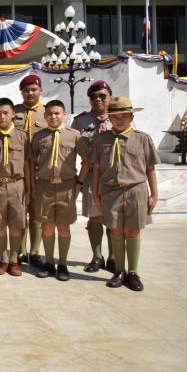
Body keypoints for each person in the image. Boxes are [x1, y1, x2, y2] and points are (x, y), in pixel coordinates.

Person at [92, 97, 159, 292]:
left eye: (123, 116)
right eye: (114, 117)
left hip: (135, 190)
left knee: (133, 230)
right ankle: (119, 271)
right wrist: (95, 193)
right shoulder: (101, 139)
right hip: (110, 191)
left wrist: (154, 194)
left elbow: (150, 168)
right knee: (115, 230)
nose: (119, 120)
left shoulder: (142, 138)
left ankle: (133, 272)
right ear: (109, 119)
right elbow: (96, 168)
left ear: (131, 117)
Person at [28, 100, 90, 281]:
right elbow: (31, 162)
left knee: (63, 226)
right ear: (44, 115)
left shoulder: (74, 135)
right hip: (45, 186)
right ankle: (49, 263)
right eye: (49, 113)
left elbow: (87, 161)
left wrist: (79, 182)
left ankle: (62, 264)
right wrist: (33, 185)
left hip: (67, 186)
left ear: (64, 114)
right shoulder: (38, 137)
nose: (53, 116)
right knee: (47, 225)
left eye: (57, 113)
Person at [0, 98, 31, 277]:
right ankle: (3, 259)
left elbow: (27, 164)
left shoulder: (22, 136)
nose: (2, 116)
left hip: (17, 185)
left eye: (6, 113)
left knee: (16, 225)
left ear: (13, 114)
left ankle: (14, 260)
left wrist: (29, 189)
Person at [71, 81, 115, 272]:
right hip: (90, 176)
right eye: (93, 96)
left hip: (113, 177)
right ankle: (97, 257)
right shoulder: (80, 122)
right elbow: (71, 151)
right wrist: (77, 179)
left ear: (110, 97)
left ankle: (114, 257)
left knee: (113, 218)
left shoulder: (119, 117)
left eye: (102, 96)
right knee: (95, 217)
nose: (98, 99)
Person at [13, 74, 45, 268]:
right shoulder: (14, 112)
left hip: (39, 170)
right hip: (17, 169)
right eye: (26, 90)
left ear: (40, 90)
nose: (30, 93)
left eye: (33, 89)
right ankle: (20, 250)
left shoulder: (47, 112)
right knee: (20, 211)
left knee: (36, 212)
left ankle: (34, 252)